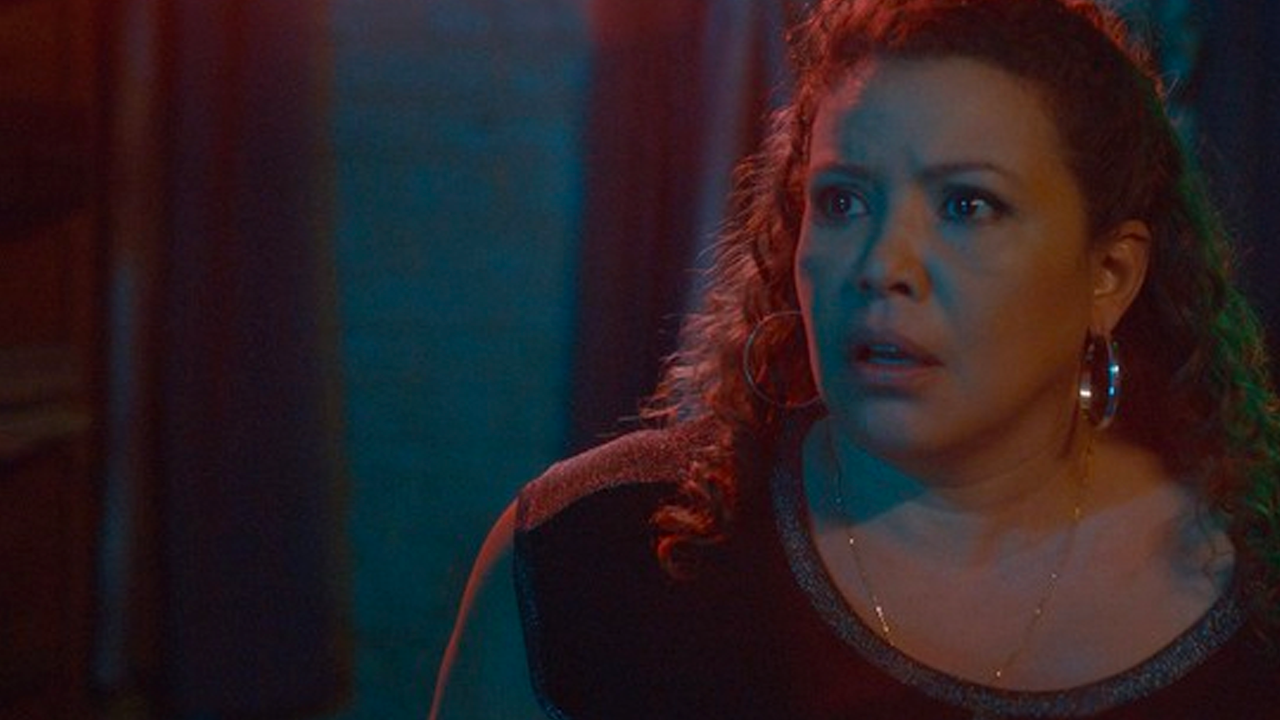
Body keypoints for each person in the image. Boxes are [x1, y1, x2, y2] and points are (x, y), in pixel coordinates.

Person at [430, 0, 1280, 717]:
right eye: (843, 201)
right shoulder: (597, 559)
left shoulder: (1253, 589)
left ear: (1109, 275)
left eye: (967, 205)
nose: (882, 264)